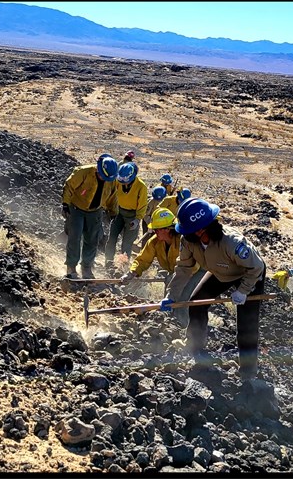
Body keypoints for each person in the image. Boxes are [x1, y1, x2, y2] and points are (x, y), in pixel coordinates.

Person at [160, 198, 266, 383]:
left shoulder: (232, 243)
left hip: (248, 274)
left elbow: (256, 268)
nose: (184, 235)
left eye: (188, 230)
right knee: (196, 304)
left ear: (201, 230)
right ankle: (196, 349)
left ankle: (248, 373)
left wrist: (243, 291)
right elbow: (183, 269)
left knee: (247, 325)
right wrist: (171, 296)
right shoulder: (188, 241)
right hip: (220, 271)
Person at [122, 207, 205, 326]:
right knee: (169, 296)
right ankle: (170, 321)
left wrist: (174, 292)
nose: (155, 232)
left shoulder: (184, 240)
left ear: (167, 229)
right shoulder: (155, 242)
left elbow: (189, 269)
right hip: (177, 272)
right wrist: (132, 272)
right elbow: (143, 259)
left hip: (196, 271)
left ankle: (183, 327)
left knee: (182, 299)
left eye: (157, 230)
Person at [62, 155, 119, 279]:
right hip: (76, 209)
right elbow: (69, 186)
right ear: (98, 169)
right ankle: (71, 267)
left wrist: (113, 212)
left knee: (92, 240)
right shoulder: (83, 172)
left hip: (95, 211)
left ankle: (86, 267)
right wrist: (65, 204)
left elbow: (112, 196)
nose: (104, 179)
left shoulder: (111, 179)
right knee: (75, 237)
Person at [105, 162, 148, 269]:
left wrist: (138, 220)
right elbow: (111, 194)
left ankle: (122, 266)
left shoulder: (141, 187)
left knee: (127, 243)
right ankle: (108, 262)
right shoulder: (118, 181)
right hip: (119, 212)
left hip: (132, 216)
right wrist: (110, 209)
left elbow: (142, 205)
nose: (123, 183)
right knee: (112, 238)